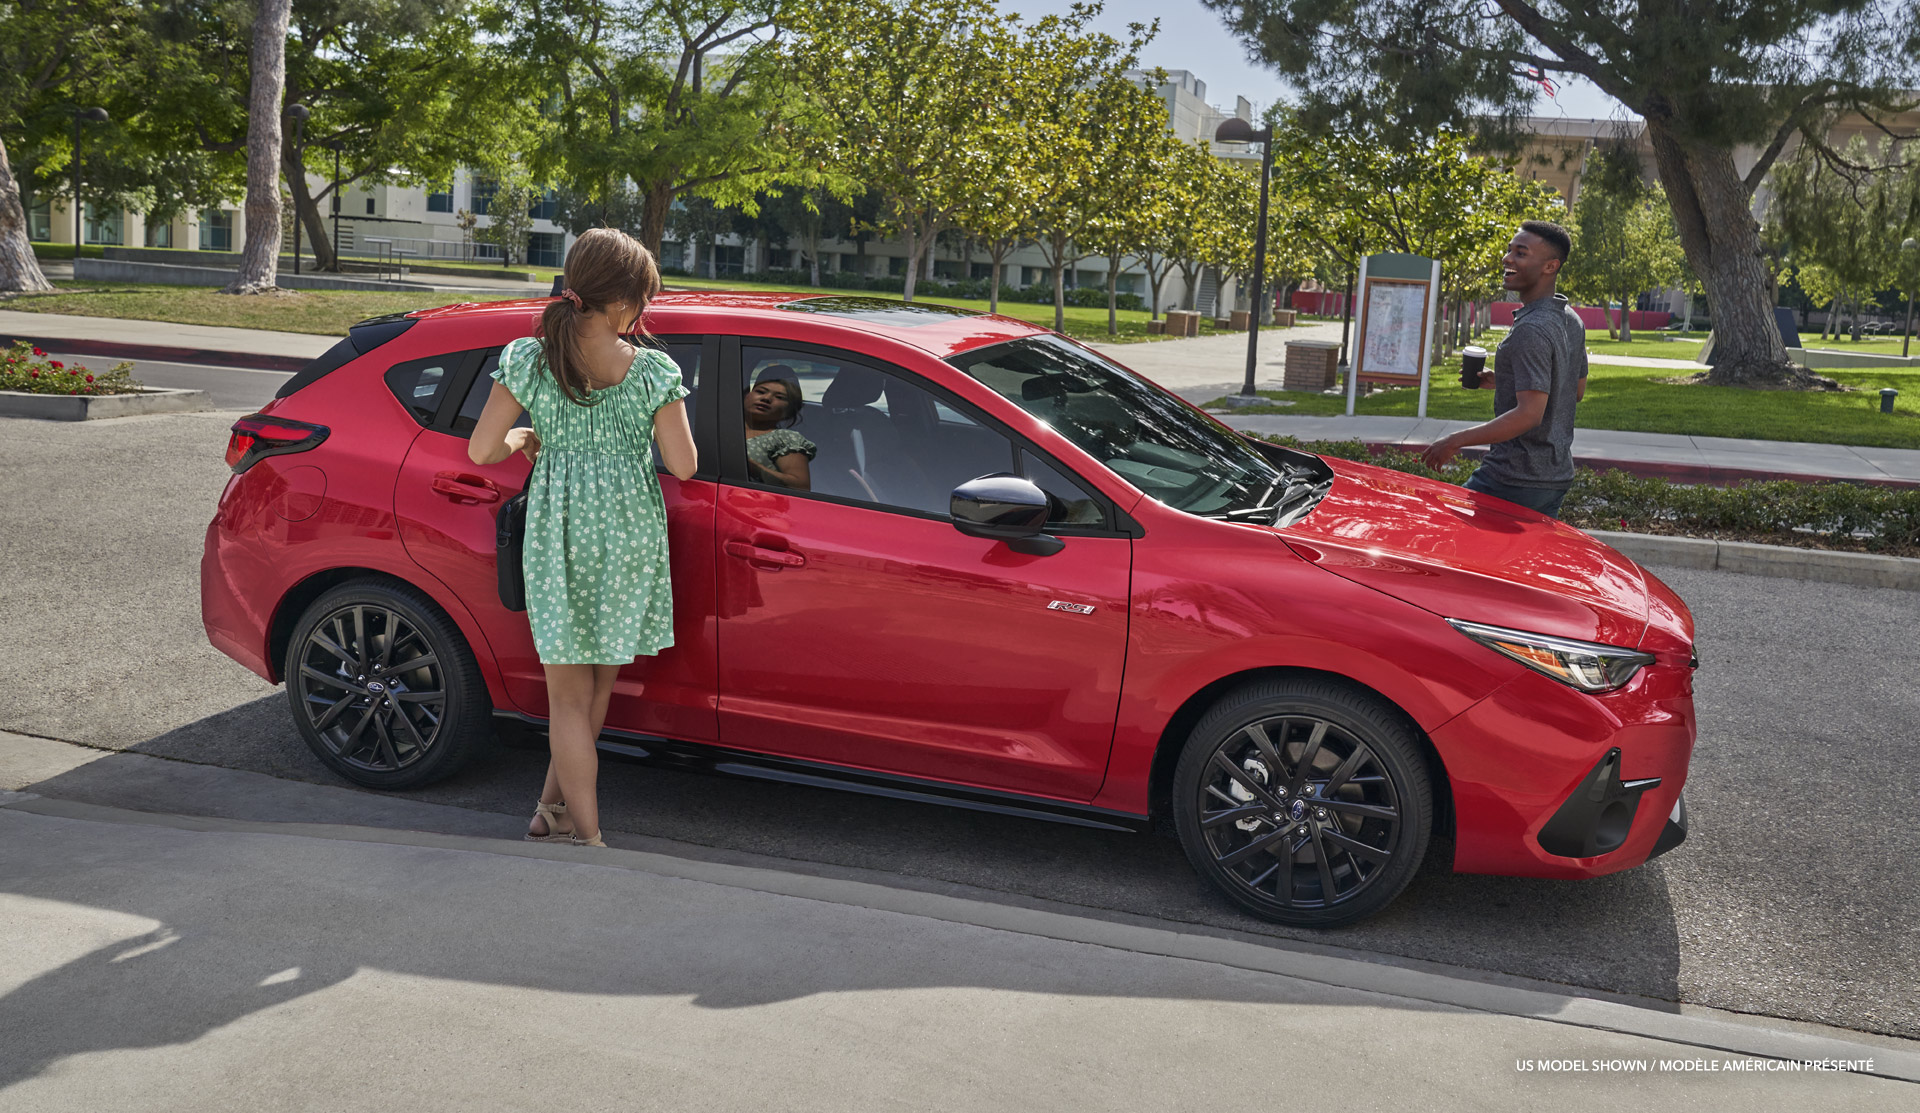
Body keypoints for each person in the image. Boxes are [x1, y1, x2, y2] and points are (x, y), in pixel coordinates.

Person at [468, 227, 697, 848]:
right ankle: (587, 840)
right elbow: (684, 467)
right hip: (626, 535)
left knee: (569, 697)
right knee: (596, 689)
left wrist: (526, 440)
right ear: (623, 301)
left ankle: (555, 811)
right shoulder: (652, 369)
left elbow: (483, 449)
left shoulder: (529, 358)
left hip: (560, 532)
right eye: (644, 299)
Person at [1422, 220, 1588, 518]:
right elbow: (1574, 390)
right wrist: (1508, 380)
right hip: (1554, 477)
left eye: (1521, 253)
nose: (1507, 258)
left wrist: (1453, 441)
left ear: (1551, 266)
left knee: (1450, 544)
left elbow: (1529, 414)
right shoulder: (1570, 319)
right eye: (1509, 250)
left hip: (1513, 478)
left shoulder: (1532, 328)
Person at [744, 366, 815, 489]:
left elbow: (800, 486)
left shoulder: (784, 439)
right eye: (760, 391)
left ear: (788, 410)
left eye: (779, 397)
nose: (766, 398)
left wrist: (757, 469)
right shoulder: (719, 424)